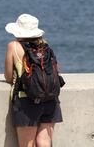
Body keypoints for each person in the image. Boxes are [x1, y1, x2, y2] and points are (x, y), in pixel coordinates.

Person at [4, 14, 63, 147]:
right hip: (51, 100)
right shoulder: (45, 45)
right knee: (44, 143)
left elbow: (8, 76)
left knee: (27, 145)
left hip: (26, 101)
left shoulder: (13, 46)